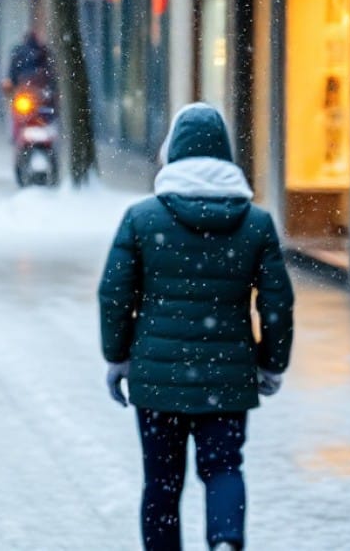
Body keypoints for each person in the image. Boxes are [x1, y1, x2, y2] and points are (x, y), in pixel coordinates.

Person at [98, 103, 295, 551]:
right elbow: (278, 303)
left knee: (162, 483)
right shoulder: (256, 224)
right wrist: (271, 362)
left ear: (173, 152)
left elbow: (114, 294)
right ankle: (225, 540)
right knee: (224, 467)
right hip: (226, 378)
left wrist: (118, 355)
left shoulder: (142, 218)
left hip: (157, 379)